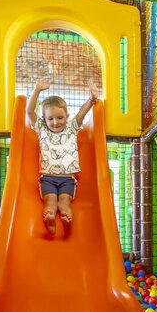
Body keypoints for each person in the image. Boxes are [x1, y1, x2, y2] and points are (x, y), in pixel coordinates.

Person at [27, 70, 101, 235]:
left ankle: (67, 219)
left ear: (67, 116)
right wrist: (37, 90)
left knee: (64, 202)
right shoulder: (42, 130)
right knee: (51, 201)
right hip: (47, 178)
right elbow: (29, 112)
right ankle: (50, 218)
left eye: (60, 117)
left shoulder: (72, 128)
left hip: (68, 178)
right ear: (44, 119)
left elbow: (82, 113)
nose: (55, 122)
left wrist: (92, 99)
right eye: (51, 118)